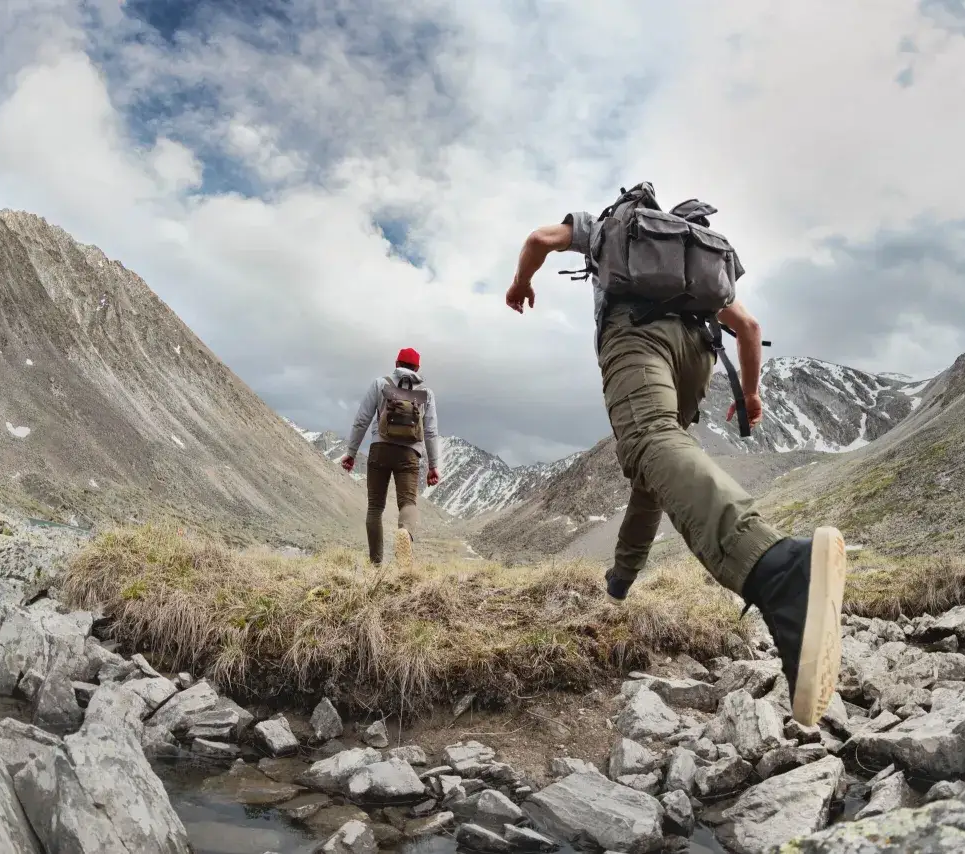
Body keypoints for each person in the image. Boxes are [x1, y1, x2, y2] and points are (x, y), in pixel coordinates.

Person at [504, 183, 848, 726]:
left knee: (647, 441)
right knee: (657, 463)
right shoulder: (695, 265)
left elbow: (539, 238)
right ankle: (620, 582)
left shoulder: (609, 229)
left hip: (636, 335)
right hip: (697, 353)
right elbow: (750, 329)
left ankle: (777, 567)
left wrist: (521, 282)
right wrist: (752, 395)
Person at [341, 347, 442, 568]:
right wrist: (433, 466)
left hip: (380, 449)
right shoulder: (427, 393)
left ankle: (375, 565)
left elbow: (362, 420)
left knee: (375, 507)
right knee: (408, 502)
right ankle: (405, 533)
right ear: (417, 368)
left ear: (396, 364)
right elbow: (431, 431)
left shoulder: (380, 384)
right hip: (409, 454)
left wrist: (351, 453)